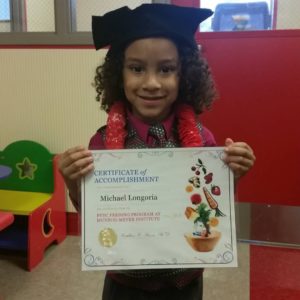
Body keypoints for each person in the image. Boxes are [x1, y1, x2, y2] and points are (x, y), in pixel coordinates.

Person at [58, 3, 256, 300]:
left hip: (184, 282)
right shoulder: (101, 146)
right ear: (119, 75)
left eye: (166, 69)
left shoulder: (203, 141)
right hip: (124, 283)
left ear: (184, 74)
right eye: (136, 69)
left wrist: (233, 174)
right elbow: (96, 216)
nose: (151, 83)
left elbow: (212, 209)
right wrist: (72, 181)